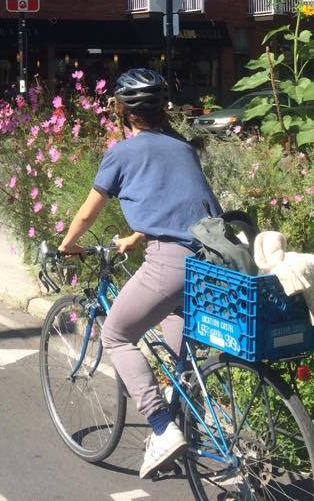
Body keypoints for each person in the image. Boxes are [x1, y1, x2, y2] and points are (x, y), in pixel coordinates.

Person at [58, 68, 220, 479]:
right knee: (174, 314)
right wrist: (137, 235)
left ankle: (163, 427)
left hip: (170, 262)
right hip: (212, 259)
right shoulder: (182, 147)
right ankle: (188, 407)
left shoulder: (122, 152)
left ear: (121, 110)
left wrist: (67, 244)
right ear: (162, 109)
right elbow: (178, 200)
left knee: (115, 334)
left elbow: (86, 213)